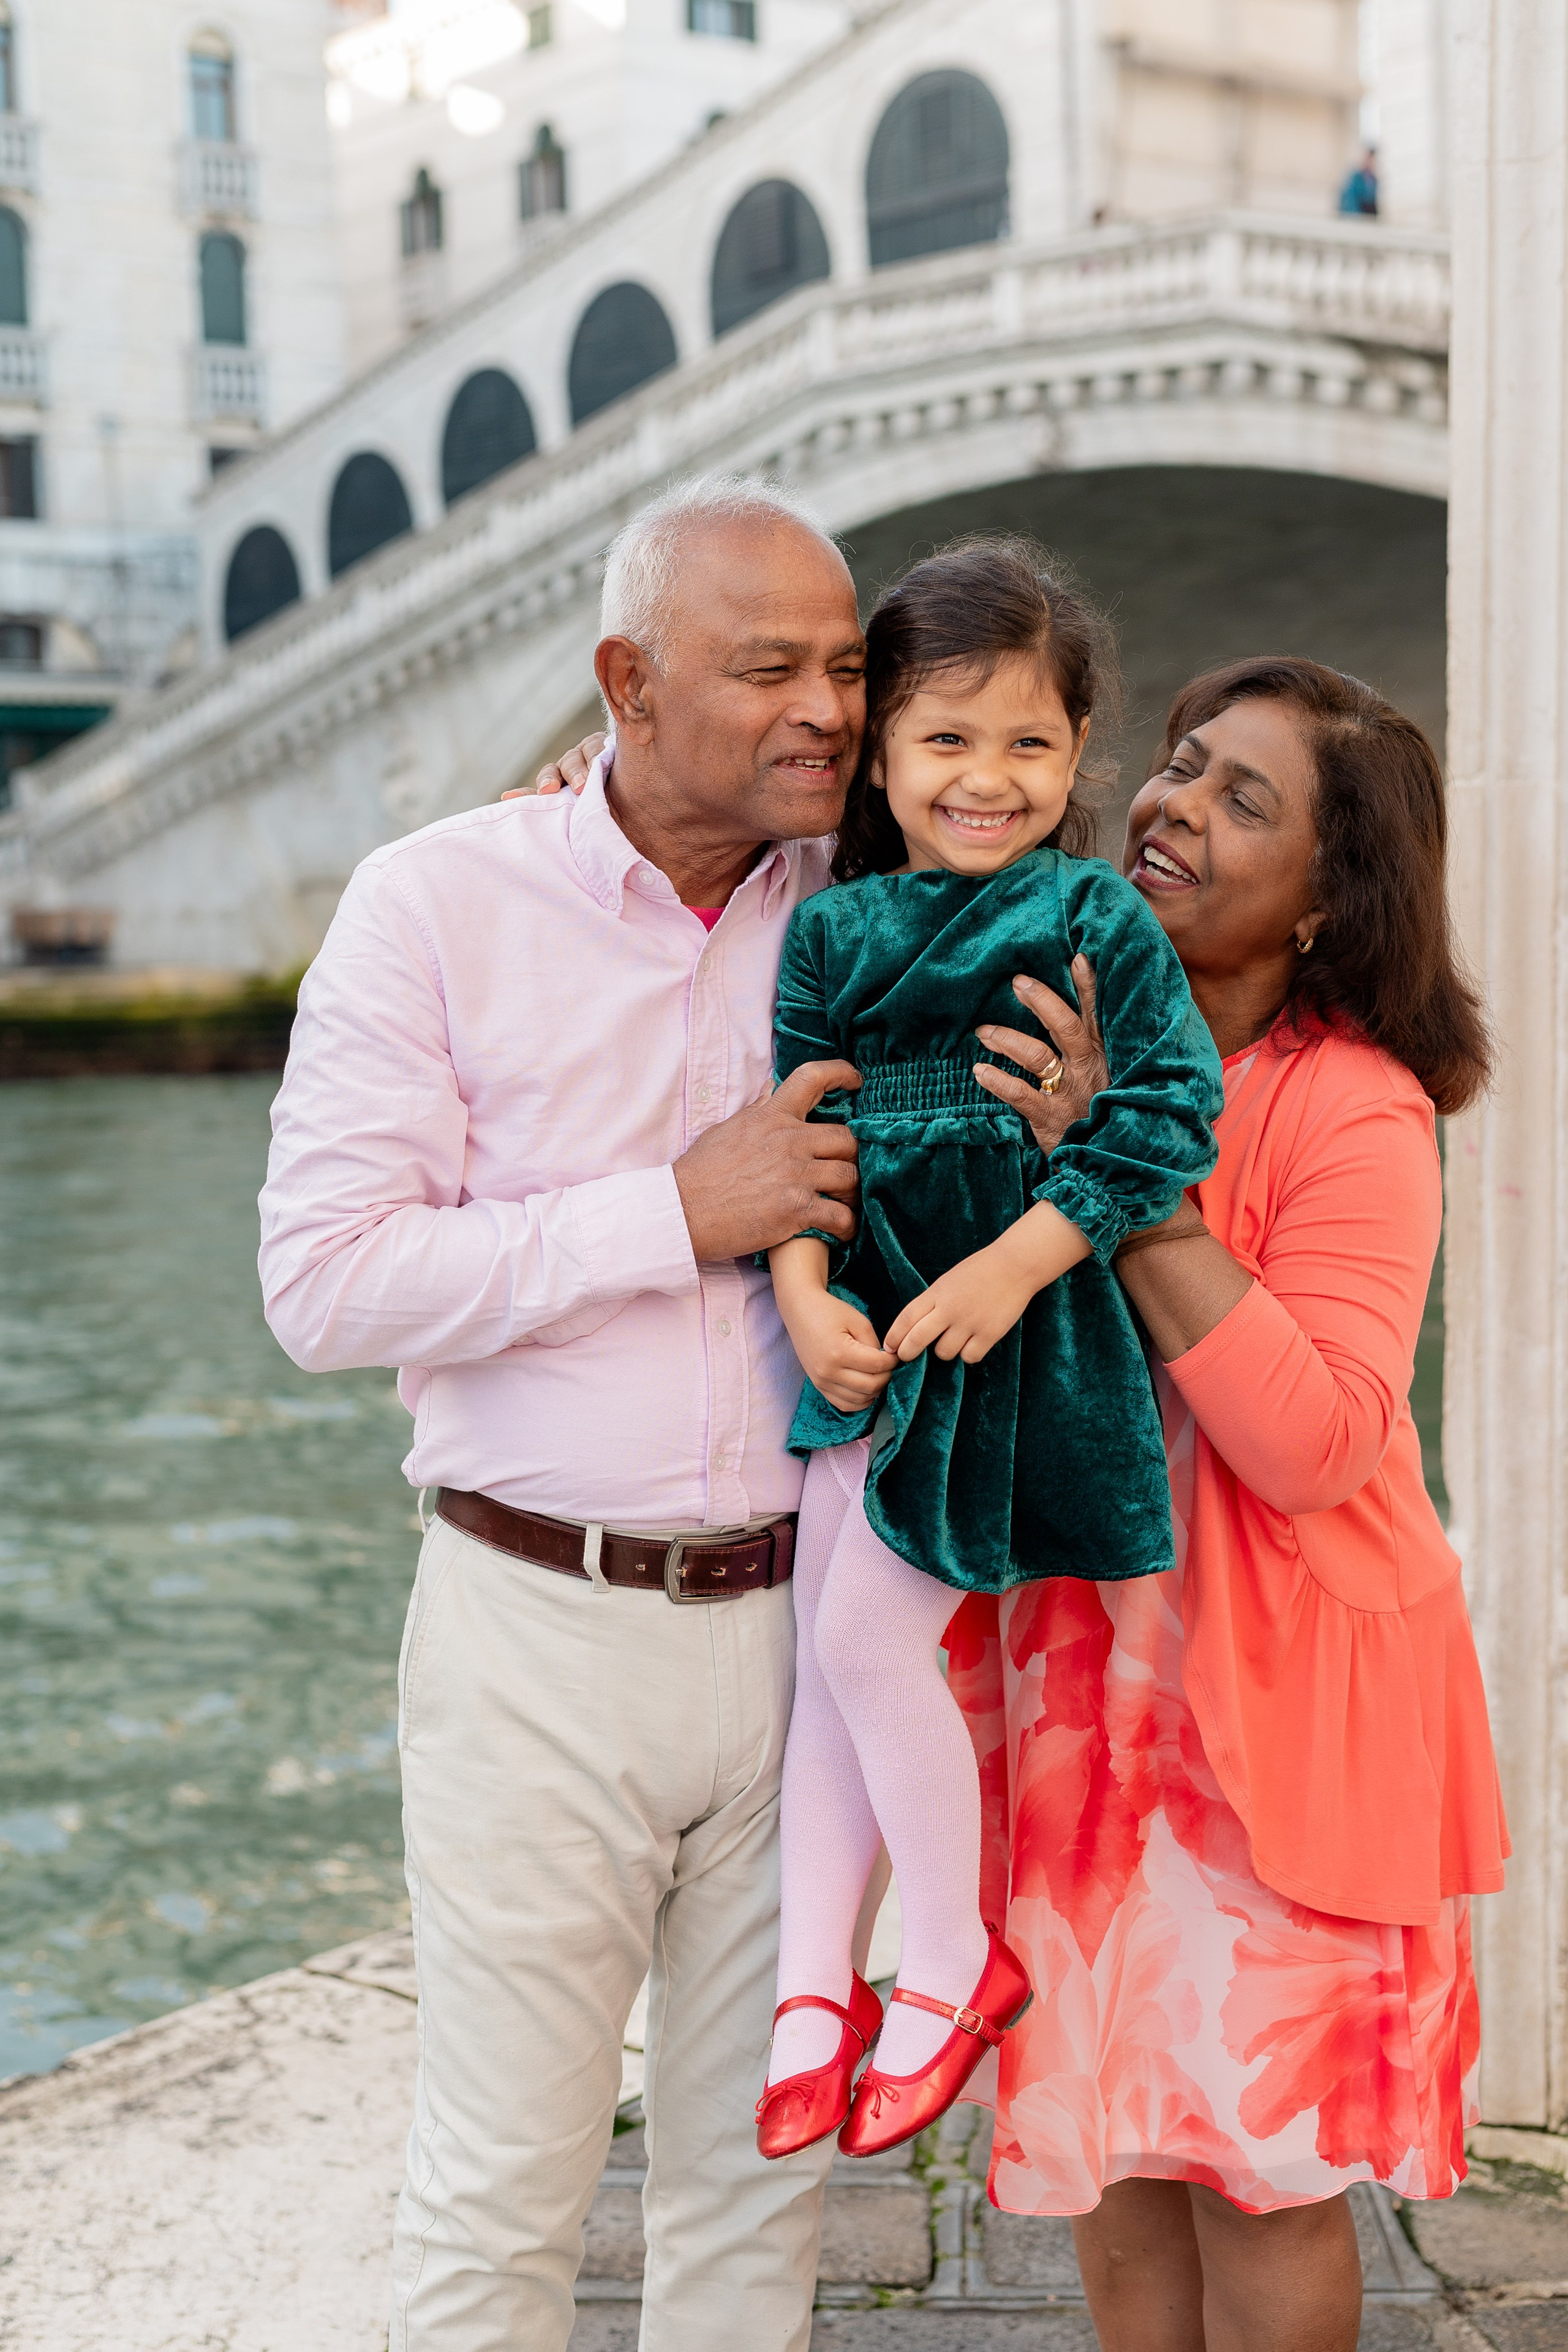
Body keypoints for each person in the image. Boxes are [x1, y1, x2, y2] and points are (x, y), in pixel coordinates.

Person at [258, 473, 881, 2352]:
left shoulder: (874, 907)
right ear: (626, 678)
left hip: (814, 1638)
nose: (827, 709)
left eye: (845, 666)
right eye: (765, 666)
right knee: (500, 2190)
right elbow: (327, 1285)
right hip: (534, 1630)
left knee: (760, 2193)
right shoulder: (435, 899)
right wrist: (669, 1216)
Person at [956, 657, 1507, 2352]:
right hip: (1089, 1705)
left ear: (1333, 903)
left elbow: (1320, 1444)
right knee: (1117, 2171)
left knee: (1260, 2180)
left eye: (1241, 796)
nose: (1174, 803)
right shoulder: (1055, 1005)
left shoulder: (1357, 1106)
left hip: (1282, 1733)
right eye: (1184, 766)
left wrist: (1120, 1173)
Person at [753, 540, 1223, 2166]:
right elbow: (801, 1131)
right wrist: (807, 1291)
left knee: (875, 1643)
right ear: (880, 751)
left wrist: (1015, 1267)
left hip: (1009, 1336)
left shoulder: (1092, 918)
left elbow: (1165, 1121)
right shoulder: (829, 932)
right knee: (827, 1649)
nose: (987, 776)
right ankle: (817, 1985)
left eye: (1027, 742)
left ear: (1077, 752)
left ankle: (950, 1957)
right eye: (947, 739)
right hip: (862, 1334)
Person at [1338, 144, 1379, 216]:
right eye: (1367, 158)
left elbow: (1373, 202)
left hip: (1368, 216)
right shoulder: (1355, 177)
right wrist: (1354, 216)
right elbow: (1349, 199)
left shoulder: (1373, 178)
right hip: (1354, 214)